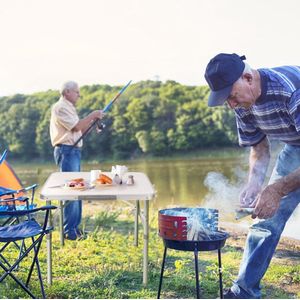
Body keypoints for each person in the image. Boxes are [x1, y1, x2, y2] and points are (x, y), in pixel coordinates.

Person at [204, 53, 300, 298]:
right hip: (296, 146)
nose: (231, 105)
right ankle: (244, 291)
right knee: (266, 217)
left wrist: (276, 189)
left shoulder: (290, 92)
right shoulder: (243, 104)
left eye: (232, 96)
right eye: (226, 100)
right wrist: (255, 184)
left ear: (248, 78)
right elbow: (259, 147)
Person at [50, 81, 104, 240]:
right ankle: (69, 231)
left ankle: (74, 228)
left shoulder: (69, 108)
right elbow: (76, 127)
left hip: (73, 151)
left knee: (78, 189)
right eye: (76, 92)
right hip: (66, 151)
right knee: (72, 190)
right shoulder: (60, 107)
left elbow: (79, 128)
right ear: (67, 92)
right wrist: (93, 114)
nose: (79, 95)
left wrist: (94, 124)